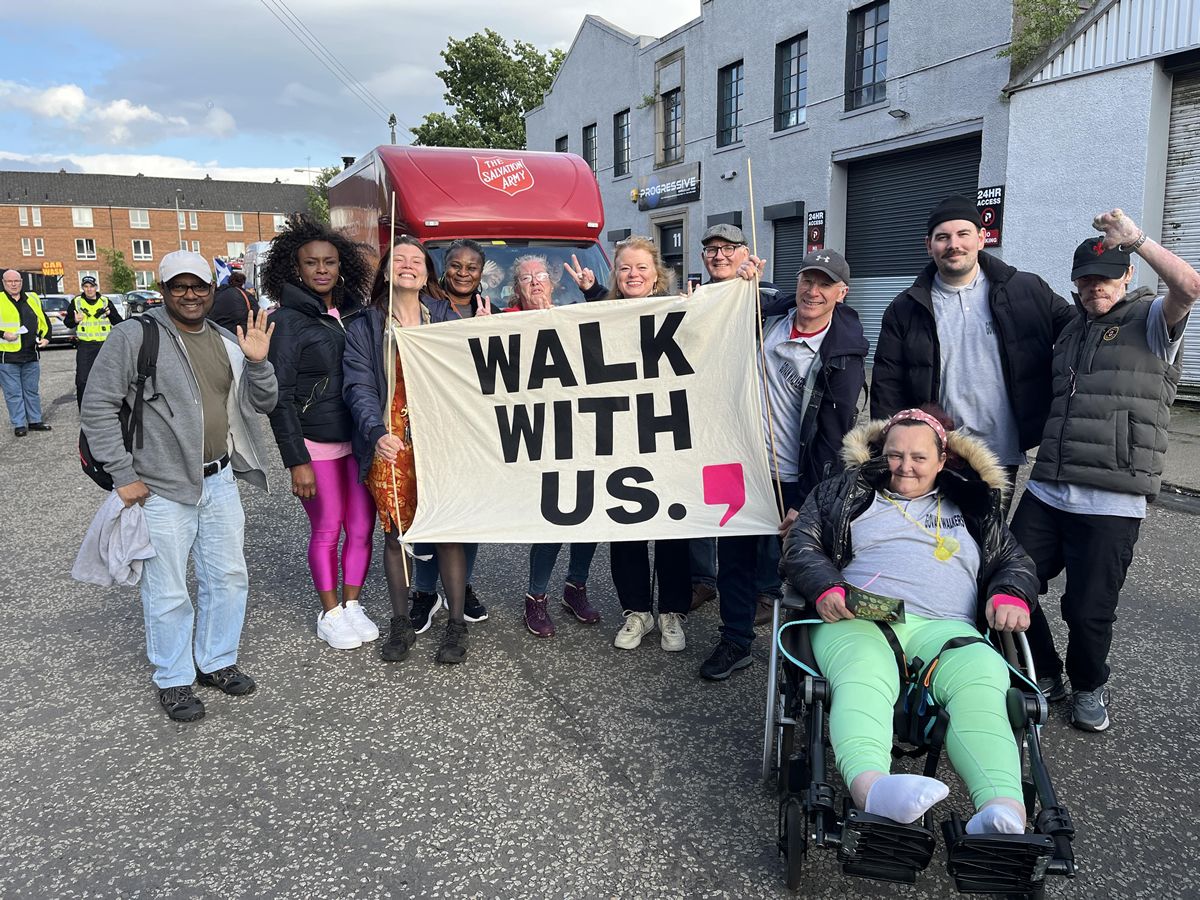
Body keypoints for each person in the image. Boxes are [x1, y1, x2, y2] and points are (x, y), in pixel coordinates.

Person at [782, 407, 1038, 835]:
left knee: (984, 677)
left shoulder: (974, 507)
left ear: (942, 460)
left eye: (919, 458)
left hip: (948, 629)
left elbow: (1014, 560)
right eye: (895, 454)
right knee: (863, 670)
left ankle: (1002, 810)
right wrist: (825, 586)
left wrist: (1011, 592)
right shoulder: (842, 494)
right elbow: (802, 545)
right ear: (881, 452)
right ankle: (873, 790)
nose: (905, 466)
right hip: (859, 617)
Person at [1010, 209, 1200, 733]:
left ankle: (1090, 686)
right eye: (1087, 279)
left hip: (1112, 499)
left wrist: (1136, 239)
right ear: (1075, 283)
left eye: (1106, 277)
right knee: (1008, 581)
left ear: (1126, 277)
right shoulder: (1070, 328)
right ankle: (1043, 672)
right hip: (1048, 489)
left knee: (1088, 611)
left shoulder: (1154, 321)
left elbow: (1190, 284)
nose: (1096, 288)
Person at [80, 250, 278, 722]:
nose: (190, 294)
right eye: (178, 286)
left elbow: (264, 402)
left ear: (213, 289)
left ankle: (215, 661)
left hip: (220, 478)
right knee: (167, 589)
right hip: (161, 487)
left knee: (228, 576)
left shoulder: (224, 340)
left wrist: (258, 363)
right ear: (164, 290)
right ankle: (173, 678)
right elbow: (98, 406)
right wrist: (124, 476)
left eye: (199, 286)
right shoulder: (135, 335)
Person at [701, 249, 868, 681]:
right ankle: (735, 640)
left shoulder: (843, 355)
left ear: (841, 293)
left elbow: (834, 436)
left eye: (825, 284)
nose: (813, 292)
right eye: (807, 281)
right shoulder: (771, 319)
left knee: (800, 562)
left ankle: (801, 653)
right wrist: (742, 282)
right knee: (733, 559)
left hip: (797, 476)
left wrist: (809, 498)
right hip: (744, 466)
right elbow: (721, 315)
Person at [870, 194, 1074, 505]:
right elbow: (887, 384)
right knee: (933, 543)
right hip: (935, 452)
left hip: (999, 452)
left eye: (963, 234)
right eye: (943, 237)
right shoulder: (905, 308)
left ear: (981, 238)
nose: (954, 244)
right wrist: (892, 451)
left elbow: (1082, 331)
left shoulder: (1026, 290)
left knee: (989, 544)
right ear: (929, 245)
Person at [343, 235, 472, 664]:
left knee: (448, 529)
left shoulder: (445, 315)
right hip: (391, 438)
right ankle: (402, 623)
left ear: (427, 273)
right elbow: (359, 385)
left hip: (440, 437)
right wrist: (375, 430)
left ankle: (456, 625)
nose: (409, 265)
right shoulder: (365, 324)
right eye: (399, 259)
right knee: (397, 531)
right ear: (385, 271)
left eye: (418, 260)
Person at [262, 214, 379, 651]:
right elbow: (279, 397)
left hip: (359, 440)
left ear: (340, 265)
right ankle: (329, 612)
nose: (322, 269)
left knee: (363, 526)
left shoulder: (354, 312)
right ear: (296, 269)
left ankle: (352, 605)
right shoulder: (287, 322)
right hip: (316, 445)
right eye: (312, 263)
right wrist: (297, 461)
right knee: (329, 527)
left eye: (329, 261)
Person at [686, 223, 792, 619]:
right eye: (712, 249)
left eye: (729, 248)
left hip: (751, 417)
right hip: (705, 417)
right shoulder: (693, 297)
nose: (720, 255)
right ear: (703, 257)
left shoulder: (766, 293)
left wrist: (752, 287)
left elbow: (797, 308)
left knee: (758, 501)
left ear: (745, 253)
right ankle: (703, 580)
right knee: (705, 498)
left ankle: (765, 589)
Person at [596, 237, 692, 653]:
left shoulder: (679, 312)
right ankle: (636, 611)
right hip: (620, 435)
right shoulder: (600, 315)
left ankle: (672, 612)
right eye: (624, 269)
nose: (633, 275)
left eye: (641, 268)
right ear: (615, 275)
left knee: (674, 527)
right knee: (626, 528)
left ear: (657, 275)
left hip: (669, 435)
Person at [506, 253, 603, 636]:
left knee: (592, 513)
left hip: (582, 429)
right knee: (553, 517)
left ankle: (575, 586)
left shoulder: (572, 317)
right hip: (538, 435)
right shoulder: (502, 321)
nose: (535, 282)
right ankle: (536, 597)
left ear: (553, 283)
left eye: (541, 275)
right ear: (517, 289)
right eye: (526, 278)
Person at [408, 238, 492, 632]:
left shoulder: (489, 309)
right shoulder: (424, 304)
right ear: (444, 266)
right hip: (429, 422)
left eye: (471, 267)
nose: (463, 272)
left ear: (482, 271)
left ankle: (461, 585)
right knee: (430, 509)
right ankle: (424, 591)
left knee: (468, 514)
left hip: (472, 427)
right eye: (456, 265)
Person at [0, 269, 51, 436]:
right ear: (4, 283)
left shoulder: (32, 298)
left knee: (31, 391)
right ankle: (19, 424)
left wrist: (47, 338)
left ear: (21, 282)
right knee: (13, 393)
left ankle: (35, 421)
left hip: (30, 354)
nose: (14, 284)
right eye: (10, 281)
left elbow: (44, 320)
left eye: (17, 281)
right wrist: (3, 334)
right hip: (8, 357)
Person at [64, 275, 123, 407]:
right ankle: (84, 409)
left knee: (109, 378)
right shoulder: (77, 302)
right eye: (86, 287)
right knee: (82, 380)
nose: (89, 289)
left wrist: (110, 314)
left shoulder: (105, 302)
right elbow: (67, 323)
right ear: (83, 288)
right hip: (85, 346)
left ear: (96, 287)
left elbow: (119, 322)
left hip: (105, 346)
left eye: (91, 286)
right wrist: (75, 320)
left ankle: (109, 406)